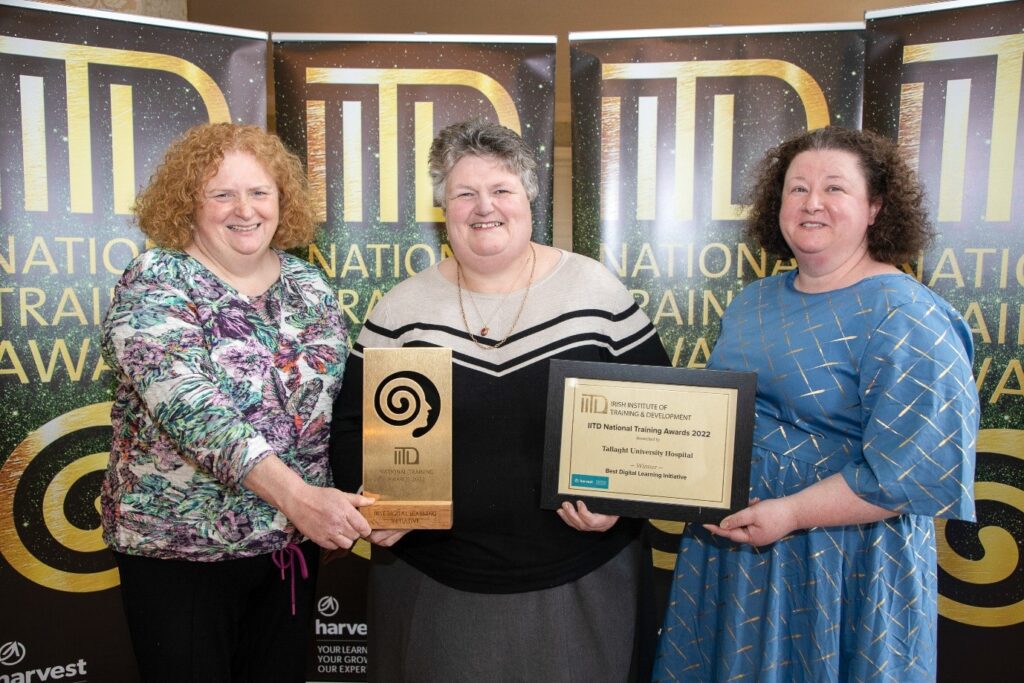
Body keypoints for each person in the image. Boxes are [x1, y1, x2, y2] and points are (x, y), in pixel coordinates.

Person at [329, 120, 670, 682]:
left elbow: (655, 417)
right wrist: (380, 505)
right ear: (444, 208)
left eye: (501, 190)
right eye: (465, 193)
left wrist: (623, 503)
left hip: (580, 580)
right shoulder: (401, 309)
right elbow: (351, 429)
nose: (483, 206)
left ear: (528, 199)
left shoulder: (597, 293)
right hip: (434, 586)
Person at [653, 126, 979, 682]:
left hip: (842, 563)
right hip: (733, 549)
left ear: (876, 206)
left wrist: (793, 513)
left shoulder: (908, 315)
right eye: (797, 188)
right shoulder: (752, 301)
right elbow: (714, 423)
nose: (812, 203)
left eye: (835, 188)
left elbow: (913, 473)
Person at [101, 123, 373, 682]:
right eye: (221, 193)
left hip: (286, 553)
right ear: (188, 205)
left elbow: (333, 410)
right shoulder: (156, 279)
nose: (243, 209)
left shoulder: (309, 285)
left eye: (258, 192)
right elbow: (191, 409)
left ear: (281, 200)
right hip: (180, 556)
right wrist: (300, 498)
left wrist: (357, 501)